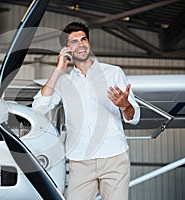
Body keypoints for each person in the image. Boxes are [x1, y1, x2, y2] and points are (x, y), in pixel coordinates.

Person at [32, 22, 140, 200]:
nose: (81, 44)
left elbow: (133, 117)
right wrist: (59, 69)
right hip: (80, 160)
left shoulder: (113, 73)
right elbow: (39, 108)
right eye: (74, 42)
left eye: (84, 39)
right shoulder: (63, 81)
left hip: (114, 157)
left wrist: (124, 105)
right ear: (65, 49)